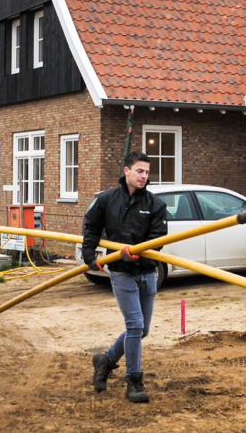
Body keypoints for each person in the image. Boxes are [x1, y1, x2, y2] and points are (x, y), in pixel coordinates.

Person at [82, 150, 168, 403]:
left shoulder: (155, 204)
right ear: (126, 171)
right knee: (135, 326)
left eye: (147, 172)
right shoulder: (107, 200)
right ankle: (134, 381)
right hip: (120, 271)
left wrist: (140, 256)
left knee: (142, 330)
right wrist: (90, 257)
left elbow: (158, 241)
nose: (144, 176)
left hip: (147, 272)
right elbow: (92, 227)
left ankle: (106, 361)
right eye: (140, 171)